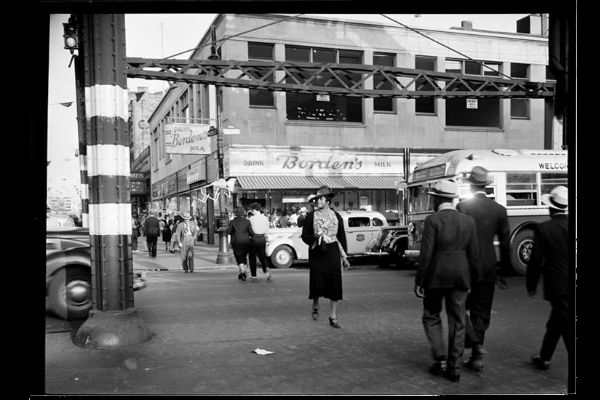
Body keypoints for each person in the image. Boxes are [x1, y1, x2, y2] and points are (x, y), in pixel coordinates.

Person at [414, 180, 478, 383]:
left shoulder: (432, 220)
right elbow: (474, 255)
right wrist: (472, 279)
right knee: (458, 321)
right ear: (452, 199)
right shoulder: (468, 221)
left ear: (437, 199)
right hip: (460, 276)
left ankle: (440, 358)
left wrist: (420, 281)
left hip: (435, 276)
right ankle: (454, 367)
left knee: (431, 315)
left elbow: (426, 254)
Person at [456, 166, 511, 372]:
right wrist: (503, 271)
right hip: (488, 266)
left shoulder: (462, 208)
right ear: (486, 186)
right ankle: (477, 357)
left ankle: (472, 345)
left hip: (466, 265)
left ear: (470, 184)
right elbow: (505, 244)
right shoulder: (499, 210)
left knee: (460, 307)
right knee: (482, 310)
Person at [526, 185, 570, 371]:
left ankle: (545, 359)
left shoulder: (544, 229)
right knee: (557, 321)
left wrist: (531, 285)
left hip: (557, 284)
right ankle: (544, 357)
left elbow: (535, 260)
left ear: (551, 208)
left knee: (565, 323)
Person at [301, 186, 350, 329]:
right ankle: (315, 303)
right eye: (316, 199)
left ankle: (333, 316)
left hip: (333, 252)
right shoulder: (311, 216)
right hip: (317, 251)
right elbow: (305, 236)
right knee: (317, 280)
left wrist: (345, 257)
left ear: (327, 200)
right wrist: (314, 238)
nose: (317, 201)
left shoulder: (337, 216)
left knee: (334, 283)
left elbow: (341, 237)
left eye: (320, 198)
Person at [227, 207, 254, 281]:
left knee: (239, 257)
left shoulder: (232, 222)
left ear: (236, 214)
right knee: (244, 257)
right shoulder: (247, 222)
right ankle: (242, 272)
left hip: (236, 241)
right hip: (246, 241)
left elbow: (228, 231)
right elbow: (251, 232)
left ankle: (242, 272)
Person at [248, 203, 272, 281]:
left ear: (255, 210)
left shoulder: (251, 219)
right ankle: (266, 269)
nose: (252, 211)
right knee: (262, 256)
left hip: (254, 238)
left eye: (252, 210)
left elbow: (249, 230)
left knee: (252, 257)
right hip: (262, 238)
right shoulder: (265, 218)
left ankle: (253, 274)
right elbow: (267, 229)